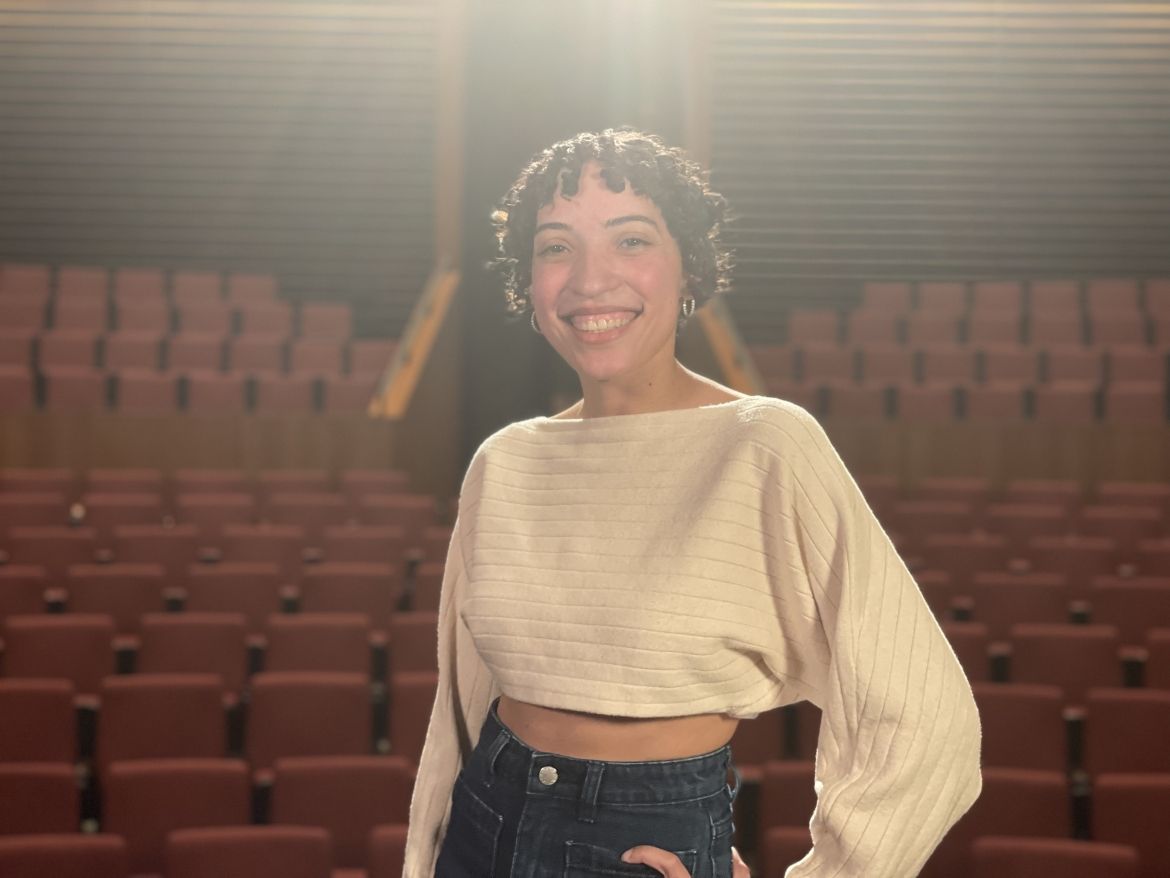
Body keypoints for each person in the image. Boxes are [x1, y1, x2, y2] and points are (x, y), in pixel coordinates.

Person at [402, 128, 982, 878]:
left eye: (630, 240)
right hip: (483, 825)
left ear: (689, 268)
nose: (588, 279)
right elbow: (460, 709)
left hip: (640, 843)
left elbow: (928, 717)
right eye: (555, 247)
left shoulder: (766, 443)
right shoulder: (504, 460)